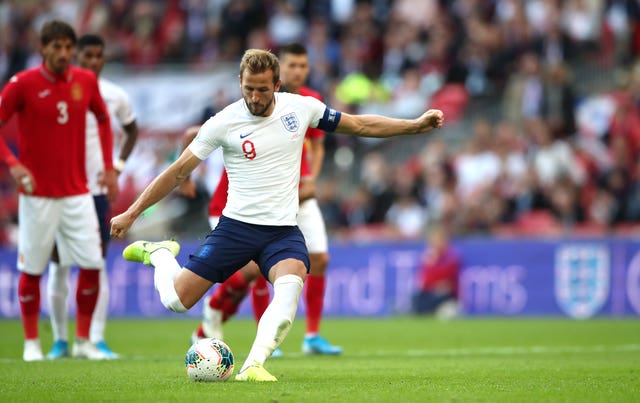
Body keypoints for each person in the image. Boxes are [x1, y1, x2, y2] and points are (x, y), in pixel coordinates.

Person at [111, 49, 444, 382]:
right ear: (240, 83)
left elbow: (358, 124)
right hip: (236, 229)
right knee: (176, 301)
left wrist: (413, 126)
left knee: (291, 283)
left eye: (263, 89)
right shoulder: (224, 122)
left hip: (282, 231)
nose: (255, 97)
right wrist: (132, 212)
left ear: (277, 84)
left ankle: (253, 365)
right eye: (248, 89)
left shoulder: (300, 109)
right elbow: (178, 170)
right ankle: (159, 255)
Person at [186, 43, 341, 356]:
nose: (298, 71)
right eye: (292, 65)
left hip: (291, 197)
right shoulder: (244, 110)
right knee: (250, 271)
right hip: (244, 205)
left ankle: (309, 335)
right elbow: (194, 134)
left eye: (303, 65)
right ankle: (221, 317)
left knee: (314, 260)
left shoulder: (307, 106)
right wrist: (183, 177)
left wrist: (308, 182)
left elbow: (318, 147)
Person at [0, 20, 118, 361]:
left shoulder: (85, 80)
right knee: (33, 269)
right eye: (57, 47)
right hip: (37, 196)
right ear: (43, 49)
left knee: (93, 264)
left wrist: (109, 167)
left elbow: (103, 119)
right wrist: (14, 163)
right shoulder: (22, 84)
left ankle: (82, 341)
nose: (64, 54)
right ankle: (32, 344)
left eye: (68, 47)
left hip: (77, 193)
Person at [46, 34, 138, 360]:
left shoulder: (115, 96)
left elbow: (132, 129)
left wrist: (117, 165)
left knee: (96, 263)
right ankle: (60, 340)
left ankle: (95, 339)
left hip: (97, 192)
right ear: (75, 56)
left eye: (99, 55)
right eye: (88, 56)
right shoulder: (59, 91)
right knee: (58, 266)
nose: (94, 61)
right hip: (60, 188)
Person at [412, 226, 461, 317]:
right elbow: (425, 278)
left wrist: (433, 263)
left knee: (439, 296)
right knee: (417, 299)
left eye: (439, 240)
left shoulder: (452, 257)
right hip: (429, 290)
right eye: (434, 241)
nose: (436, 244)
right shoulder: (429, 257)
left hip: (445, 293)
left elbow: (447, 275)